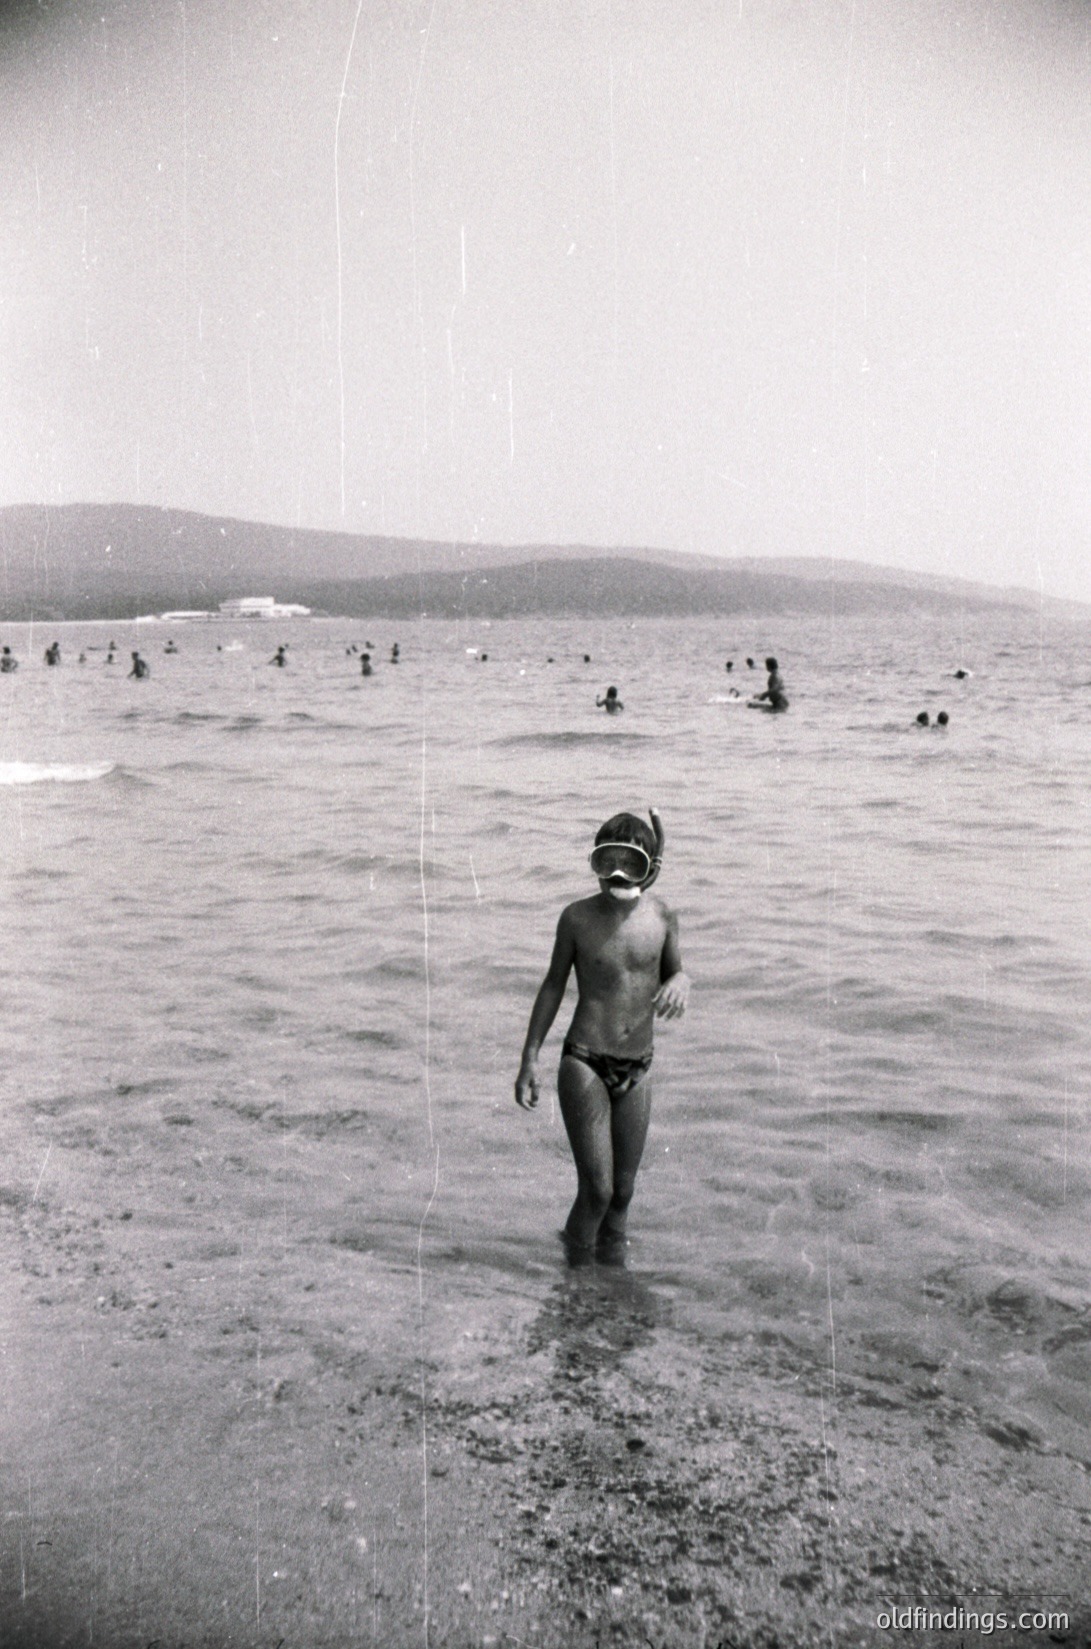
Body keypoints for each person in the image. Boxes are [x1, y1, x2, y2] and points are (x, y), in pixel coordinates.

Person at [515, 808, 689, 1257]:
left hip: (639, 1067)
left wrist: (681, 981)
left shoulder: (663, 916)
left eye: (628, 863)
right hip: (585, 1061)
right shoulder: (576, 918)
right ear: (593, 863)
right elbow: (553, 985)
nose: (614, 873)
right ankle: (574, 1283)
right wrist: (529, 1059)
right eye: (604, 861)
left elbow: (675, 973)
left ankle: (611, 1286)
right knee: (597, 1191)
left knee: (623, 1195)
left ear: (647, 869)